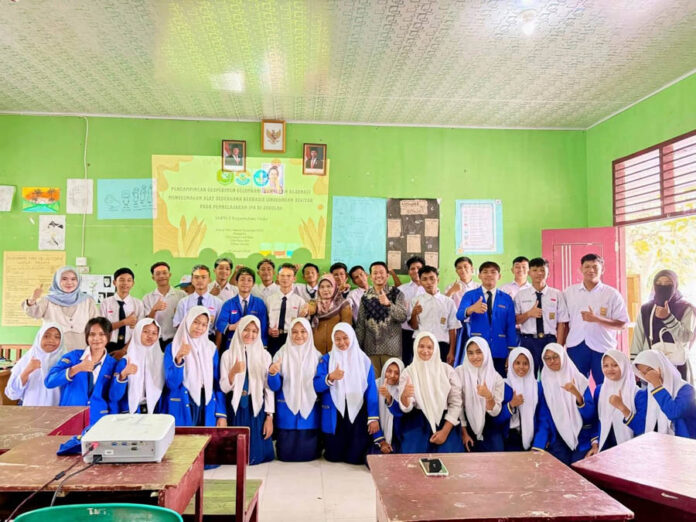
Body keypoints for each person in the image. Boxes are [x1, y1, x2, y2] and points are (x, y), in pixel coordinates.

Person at [314, 323, 386, 464]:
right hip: (335, 411)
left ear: (352, 337)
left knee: (356, 458)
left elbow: (371, 390)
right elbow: (316, 386)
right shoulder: (327, 359)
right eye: (337, 339)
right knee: (333, 456)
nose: (342, 342)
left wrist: (373, 418)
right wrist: (330, 377)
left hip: (358, 409)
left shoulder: (363, 360)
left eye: (345, 338)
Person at [564, 254, 628, 385]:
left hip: (603, 346)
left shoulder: (612, 294)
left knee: (605, 386)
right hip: (576, 346)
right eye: (587, 266)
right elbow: (563, 322)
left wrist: (597, 319)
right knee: (577, 386)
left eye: (595, 267)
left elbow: (622, 324)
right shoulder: (569, 293)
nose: (591, 270)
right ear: (581, 269)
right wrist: (560, 345)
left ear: (602, 269)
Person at [220, 316, 275, 464]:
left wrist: (269, 417)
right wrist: (233, 372)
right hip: (236, 407)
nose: (250, 334)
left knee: (255, 455)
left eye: (254, 331)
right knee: (235, 456)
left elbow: (268, 389)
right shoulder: (227, 355)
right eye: (246, 329)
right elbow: (224, 388)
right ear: (239, 330)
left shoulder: (265, 356)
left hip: (255, 407)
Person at [398, 332, 464, 453]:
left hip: (446, 420)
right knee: (414, 457)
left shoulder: (447, 371)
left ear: (436, 349)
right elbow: (407, 407)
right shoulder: (408, 372)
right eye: (421, 346)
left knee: (448, 457)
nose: (425, 351)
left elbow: (456, 403)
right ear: (415, 347)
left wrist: (445, 432)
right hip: (418, 420)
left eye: (429, 347)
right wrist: (404, 396)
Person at [45, 317, 118, 426]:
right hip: (70, 417)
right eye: (92, 334)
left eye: (101, 334)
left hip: (99, 419)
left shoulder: (113, 364)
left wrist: (113, 422)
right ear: (87, 336)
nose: (96, 338)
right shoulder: (73, 357)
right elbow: (49, 382)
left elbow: (114, 397)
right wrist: (76, 368)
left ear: (109, 336)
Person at [267, 318, 322, 462]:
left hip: (310, 411)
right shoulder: (281, 354)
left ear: (309, 333)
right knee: (286, 453)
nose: (299, 335)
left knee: (309, 453)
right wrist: (273, 373)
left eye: (303, 331)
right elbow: (275, 386)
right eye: (295, 332)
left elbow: (319, 385)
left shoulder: (317, 356)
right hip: (286, 409)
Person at [162, 307, 227, 426]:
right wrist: (179, 359)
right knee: (184, 438)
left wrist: (221, 414)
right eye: (196, 322)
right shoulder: (173, 347)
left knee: (206, 437)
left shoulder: (211, 348)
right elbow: (171, 384)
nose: (199, 328)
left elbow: (217, 383)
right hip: (182, 402)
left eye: (204, 325)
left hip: (206, 402)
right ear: (188, 321)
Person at [532, 344, 595, 464]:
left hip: (582, 437)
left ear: (563, 357)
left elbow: (590, 416)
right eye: (547, 358)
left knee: (578, 469)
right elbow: (544, 419)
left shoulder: (580, 380)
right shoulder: (543, 385)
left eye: (555, 356)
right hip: (557, 438)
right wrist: (537, 446)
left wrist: (577, 394)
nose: (552, 361)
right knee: (559, 470)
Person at [631, 270, 695, 380]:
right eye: (659, 283)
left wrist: (668, 317)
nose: (663, 286)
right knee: (652, 391)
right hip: (649, 366)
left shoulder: (686, 308)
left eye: (668, 283)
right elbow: (638, 339)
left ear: (675, 285)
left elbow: (686, 337)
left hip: (677, 366)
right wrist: (635, 366)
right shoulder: (646, 309)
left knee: (678, 391)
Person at [456, 261, 517, 376]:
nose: (489, 275)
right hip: (477, 349)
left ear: (499, 276)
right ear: (479, 275)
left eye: (493, 272)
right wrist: (471, 309)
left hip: (500, 349)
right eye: (485, 272)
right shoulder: (470, 295)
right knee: (477, 382)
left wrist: (512, 351)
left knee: (499, 381)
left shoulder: (506, 298)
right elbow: (459, 315)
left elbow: (510, 326)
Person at [514, 257, 569, 376]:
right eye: (535, 270)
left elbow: (562, 323)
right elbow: (515, 320)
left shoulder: (557, 294)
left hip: (549, 340)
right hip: (528, 341)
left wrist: (558, 347)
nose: (539, 273)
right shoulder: (521, 295)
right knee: (528, 376)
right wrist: (529, 314)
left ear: (548, 273)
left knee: (551, 376)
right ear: (529, 273)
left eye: (542, 270)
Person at [586, 350, 646, 456]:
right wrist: (595, 445)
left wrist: (622, 407)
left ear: (624, 366)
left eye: (615, 365)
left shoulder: (638, 394)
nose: (610, 369)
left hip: (631, 450)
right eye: (606, 365)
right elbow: (595, 420)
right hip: (604, 446)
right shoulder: (599, 390)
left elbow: (641, 428)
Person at [23, 266, 98, 349]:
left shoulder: (87, 300)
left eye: (73, 279)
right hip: (54, 349)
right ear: (57, 280)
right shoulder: (48, 300)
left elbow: (96, 325)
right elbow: (33, 313)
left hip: (82, 349)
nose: (69, 282)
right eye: (64, 279)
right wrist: (33, 299)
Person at [356, 261, 408, 375]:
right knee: (373, 382)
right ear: (370, 277)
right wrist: (357, 348)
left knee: (392, 382)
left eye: (381, 272)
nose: (378, 275)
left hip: (391, 349)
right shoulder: (365, 296)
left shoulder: (397, 293)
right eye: (375, 273)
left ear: (387, 275)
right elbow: (360, 324)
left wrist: (389, 304)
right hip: (370, 349)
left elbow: (403, 317)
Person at [456, 337, 505, 452]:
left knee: (497, 454)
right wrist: (464, 433)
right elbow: (457, 405)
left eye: (479, 352)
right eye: (470, 353)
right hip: (464, 422)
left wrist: (488, 397)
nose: (475, 357)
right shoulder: (459, 372)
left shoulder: (496, 378)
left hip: (488, 422)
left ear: (486, 352)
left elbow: (495, 412)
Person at [633, 350, 696, 439]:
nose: (648, 376)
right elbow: (642, 427)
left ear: (662, 366)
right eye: (644, 373)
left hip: (685, 442)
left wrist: (657, 385)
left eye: (650, 370)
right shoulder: (649, 391)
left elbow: (673, 413)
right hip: (660, 442)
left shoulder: (687, 389)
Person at [109, 318, 165, 414]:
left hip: (157, 413)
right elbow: (114, 396)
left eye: (154, 333)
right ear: (137, 332)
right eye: (146, 331)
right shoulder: (125, 361)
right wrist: (123, 375)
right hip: (130, 414)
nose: (150, 336)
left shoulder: (162, 360)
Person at [408, 266, 459, 364]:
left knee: (440, 373)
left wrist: (452, 352)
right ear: (420, 282)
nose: (429, 282)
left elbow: (453, 328)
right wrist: (414, 314)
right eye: (424, 279)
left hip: (442, 345)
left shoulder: (448, 302)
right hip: (421, 345)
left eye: (432, 278)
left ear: (438, 280)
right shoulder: (416, 301)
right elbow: (414, 326)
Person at [6, 323, 65, 406]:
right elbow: (12, 394)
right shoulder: (27, 360)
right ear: (39, 338)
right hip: (31, 410)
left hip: (58, 411)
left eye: (57, 337)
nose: (51, 340)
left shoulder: (66, 361)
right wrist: (27, 370)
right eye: (46, 336)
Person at [495, 348, 542, 451]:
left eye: (525, 363)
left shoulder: (537, 387)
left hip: (533, 440)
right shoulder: (503, 385)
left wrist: (538, 444)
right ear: (511, 363)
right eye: (517, 363)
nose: (521, 367)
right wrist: (511, 405)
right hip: (508, 438)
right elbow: (496, 420)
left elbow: (542, 418)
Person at [216, 267, 268, 349]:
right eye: (242, 279)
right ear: (236, 282)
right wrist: (232, 326)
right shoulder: (228, 304)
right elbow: (220, 323)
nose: (245, 283)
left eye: (249, 280)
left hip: (254, 345)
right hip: (232, 345)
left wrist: (264, 346)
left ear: (253, 284)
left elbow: (263, 327)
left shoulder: (259, 303)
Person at [267, 263, 309, 357]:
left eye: (289, 276)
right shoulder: (270, 299)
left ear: (294, 279)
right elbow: (266, 320)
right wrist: (269, 330)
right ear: (277, 277)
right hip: (273, 339)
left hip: (291, 338)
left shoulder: (299, 301)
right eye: (282, 275)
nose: (285, 278)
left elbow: (303, 323)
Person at [143, 262, 186, 351]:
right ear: (153, 277)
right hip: (155, 340)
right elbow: (146, 323)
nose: (162, 276)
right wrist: (154, 310)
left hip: (176, 339)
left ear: (169, 275)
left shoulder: (181, 295)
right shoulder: (147, 298)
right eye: (158, 274)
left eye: (164, 273)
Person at [100, 267, 145, 354]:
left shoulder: (138, 304)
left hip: (130, 346)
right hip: (108, 345)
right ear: (114, 282)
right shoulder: (105, 303)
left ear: (133, 283)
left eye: (129, 280)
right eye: (121, 280)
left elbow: (140, 330)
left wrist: (124, 350)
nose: (125, 283)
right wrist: (124, 322)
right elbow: (102, 328)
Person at [173, 265, 223, 340]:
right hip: (188, 338)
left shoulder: (218, 303)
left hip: (209, 339)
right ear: (192, 280)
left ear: (209, 280)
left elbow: (219, 329)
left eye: (203, 277)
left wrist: (217, 346)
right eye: (196, 277)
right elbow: (177, 324)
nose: (200, 280)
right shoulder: (183, 302)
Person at [309, 274, 353, 355]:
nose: (325, 290)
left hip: (337, 349)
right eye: (322, 287)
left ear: (335, 287)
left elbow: (347, 329)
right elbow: (309, 310)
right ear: (318, 289)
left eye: (329, 286)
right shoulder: (313, 303)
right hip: (316, 349)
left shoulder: (344, 304)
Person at [399, 256, 426, 367]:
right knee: (407, 363)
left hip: (425, 330)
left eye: (418, 268)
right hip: (406, 332)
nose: (416, 271)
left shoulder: (430, 288)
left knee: (423, 363)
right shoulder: (401, 289)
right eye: (412, 268)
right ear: (409, 272)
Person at [376, 357, 404, 453]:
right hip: (376, 436)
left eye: (397, 373)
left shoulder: (402, 388)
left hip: (396, 436)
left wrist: (388, 397)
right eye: (389, 371)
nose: (392, 375)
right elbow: (372, 416)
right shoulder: (375, 385)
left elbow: (400, 413)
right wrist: (381, 441)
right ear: (384, 370)